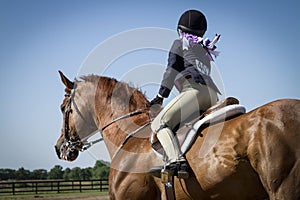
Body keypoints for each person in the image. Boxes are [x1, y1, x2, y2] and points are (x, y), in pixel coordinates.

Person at [150, 9, 221, 179]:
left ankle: (176, 161)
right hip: (212, 95)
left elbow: (171, 70)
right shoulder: (204, 49)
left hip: (194, 91)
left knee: (159, 124)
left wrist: (160, 97)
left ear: (181, 30)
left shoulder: (179, 43)